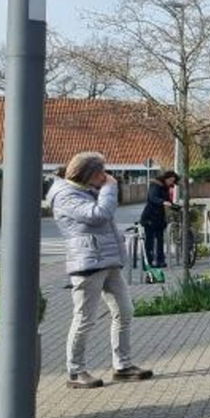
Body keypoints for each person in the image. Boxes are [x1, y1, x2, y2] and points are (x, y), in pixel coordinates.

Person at [51, 152, 152, 388]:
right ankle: (75, 372)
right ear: (89, 174)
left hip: (107, 260)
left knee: (124, 311)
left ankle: (123, 365)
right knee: (85, 318)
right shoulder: (65, 195)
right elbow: (98, 215)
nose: (106, 176)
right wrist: (109, 189)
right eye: (102, 172)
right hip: (87, 263)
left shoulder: (86, 190)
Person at [138, 169, 178, 269]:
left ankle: (161, 260)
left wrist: (175, 207)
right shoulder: (155, 185)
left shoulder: (165, 188)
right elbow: (152, 198)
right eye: (171, 180)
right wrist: (162, 202)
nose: (172, 183)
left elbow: (168, 200)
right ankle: (148, 262)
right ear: (166, 178)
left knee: (160, 240)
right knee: (149, 241)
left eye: (173, 181)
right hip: (150, 217)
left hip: (159, 218)